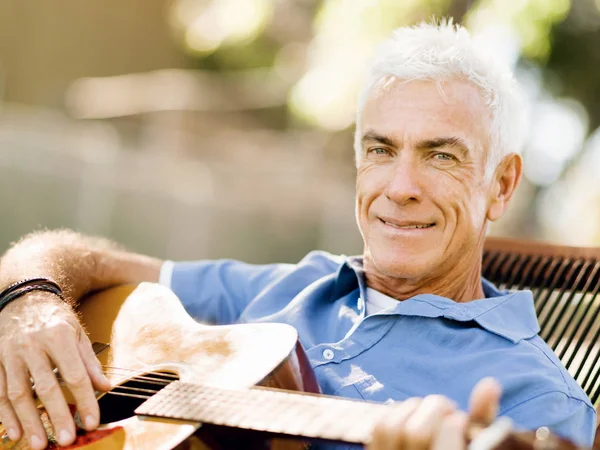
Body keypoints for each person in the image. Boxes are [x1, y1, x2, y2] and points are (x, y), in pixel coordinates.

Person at [0, 21, 596, 450]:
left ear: (502, 185)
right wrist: (29, 299)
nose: (400, 186)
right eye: (380, 150)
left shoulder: (539, 406)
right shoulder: (304, 280)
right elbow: (83, 259)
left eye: (441, 156)